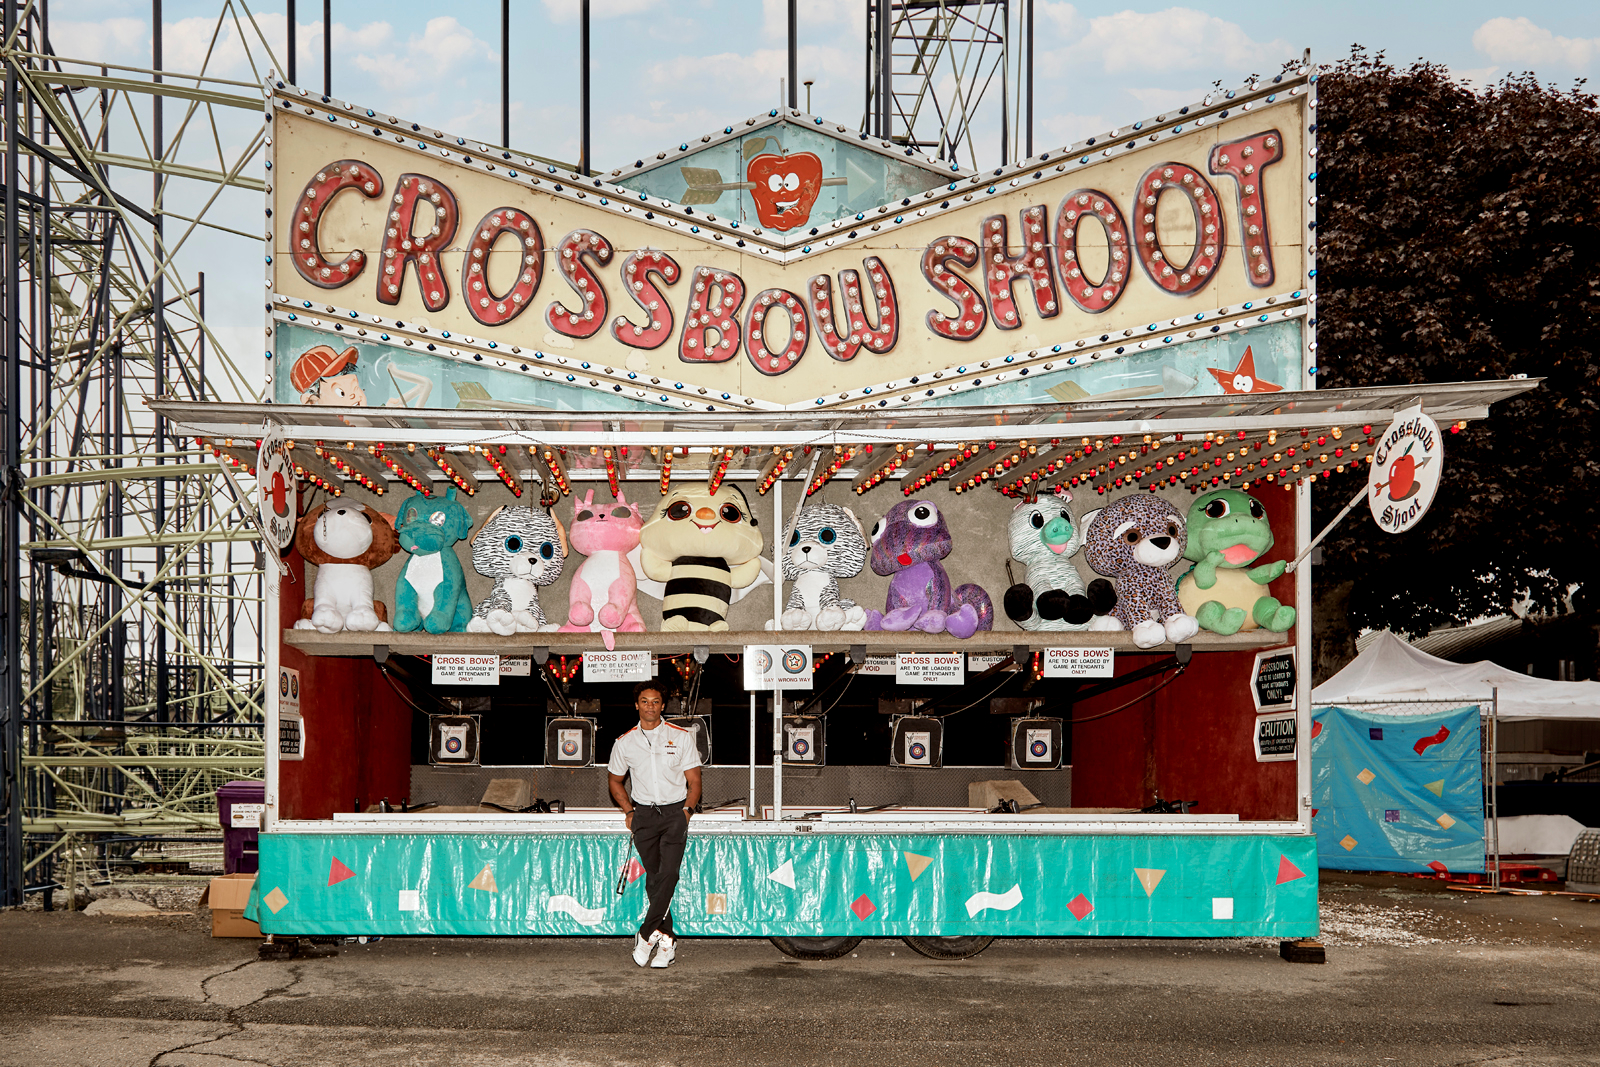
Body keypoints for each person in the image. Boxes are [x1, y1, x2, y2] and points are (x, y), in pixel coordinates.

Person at [607, 681, 701, 968]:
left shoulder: (681, 737)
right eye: (645, 701)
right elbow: (614, 780)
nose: (650, 706)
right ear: (637, 705)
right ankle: (667, 943)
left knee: (669, 874)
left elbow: (694, 781)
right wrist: (628, 810)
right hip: (644, 815)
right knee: (655, 878)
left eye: (656, 701)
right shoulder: (624, 742)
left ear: (663, 705)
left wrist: (686, 810)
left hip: (675, 813)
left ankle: (646, 933)